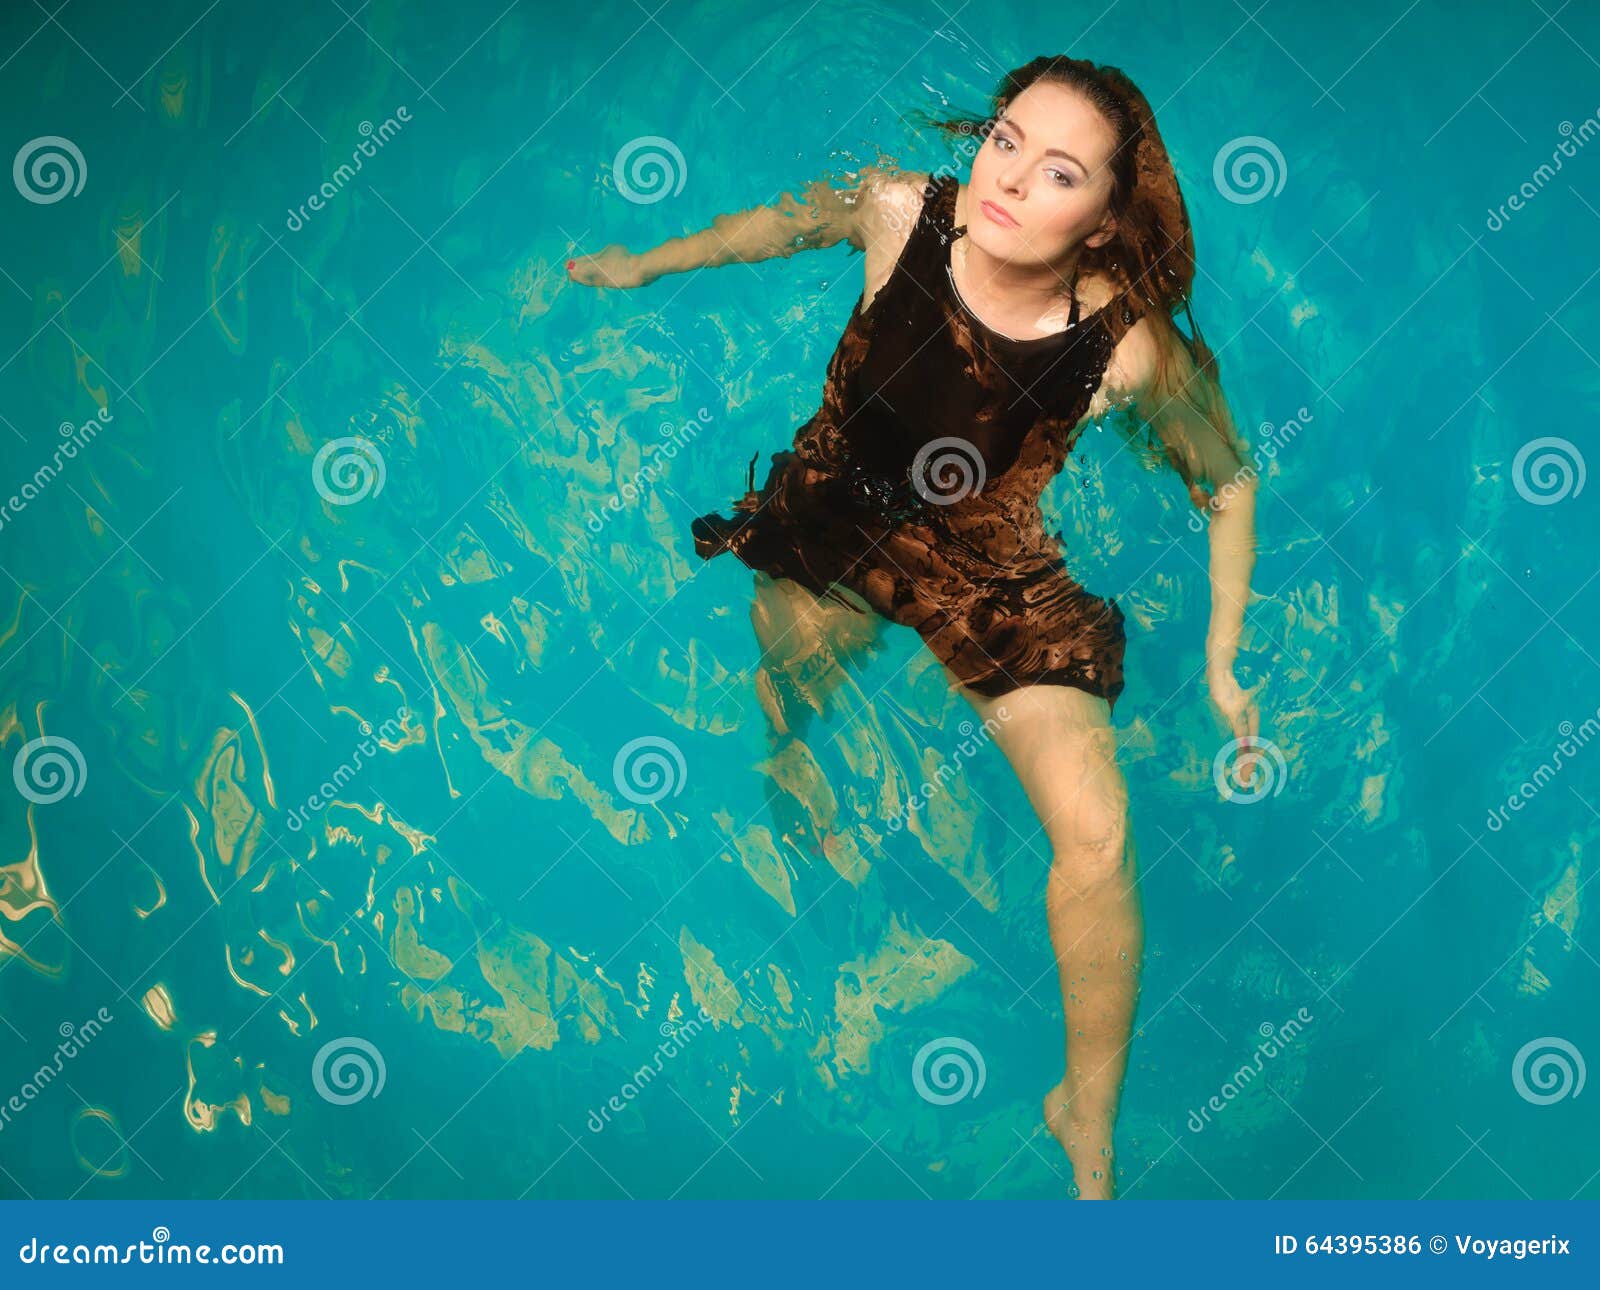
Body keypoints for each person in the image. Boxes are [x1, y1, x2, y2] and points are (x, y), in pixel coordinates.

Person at [569, 54, 1262, 1199]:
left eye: (1057, 174)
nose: (1007, 180)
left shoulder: (1124, 351)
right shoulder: (897, 213)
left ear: (1099, 223)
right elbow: (769, 230)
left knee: (1096, 833)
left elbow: (1227, 482)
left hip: (984, 561)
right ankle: (789, 754)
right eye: (1003, 140)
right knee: (794, 697)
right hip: (833, 516)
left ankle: (1085, 1111)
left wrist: (1223, 658)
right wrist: (649, 263)